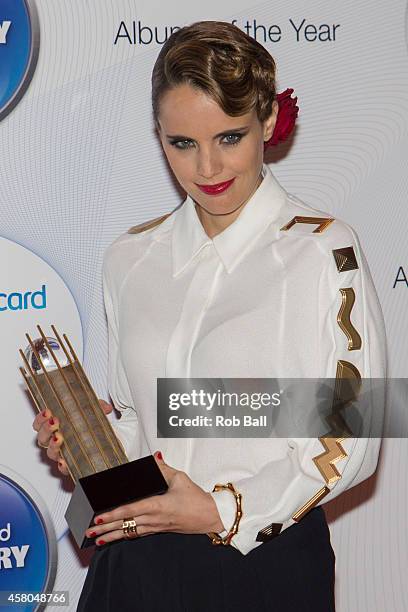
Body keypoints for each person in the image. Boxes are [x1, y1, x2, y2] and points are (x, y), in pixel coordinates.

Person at [33, 20, 387, 612]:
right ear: (160, 136)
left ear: (268, 121)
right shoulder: (130, 256)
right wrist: (84, 440)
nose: (207, 169)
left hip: (260, 566)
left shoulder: (322, 251)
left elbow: (352, 438)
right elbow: (141, 423)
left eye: (229, 137)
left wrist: (222, 509)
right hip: (132, 564)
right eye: (183, 143)